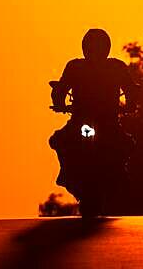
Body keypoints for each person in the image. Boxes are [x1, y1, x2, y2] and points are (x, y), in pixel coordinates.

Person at [49, 29, 137, 191]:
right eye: (92, 47)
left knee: (126, 143)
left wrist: (132, 103)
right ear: (85, 48)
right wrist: (58, 102)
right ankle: (65, 171)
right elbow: (61, 88)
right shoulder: (75, 66)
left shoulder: (116, 67)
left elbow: (131, 88)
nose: (95, 51)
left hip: (109, 120)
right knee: (58, 140)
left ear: (106, 47)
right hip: (79, 119)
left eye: (99, 47)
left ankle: (119, 169)